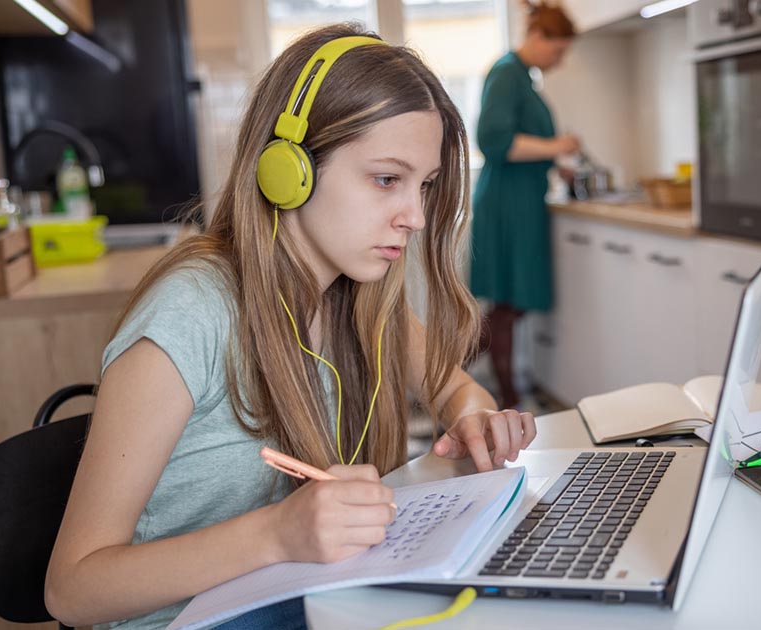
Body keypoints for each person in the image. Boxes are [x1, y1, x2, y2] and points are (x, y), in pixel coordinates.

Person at [44, 25, 537, 629]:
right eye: (387, 179)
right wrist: (277, 534)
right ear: (289, 171)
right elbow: (73, 589)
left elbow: (455, 388)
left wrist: (474, 419)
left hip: (311, 602)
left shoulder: (358, 293)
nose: (413, 217)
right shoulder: (190, 314)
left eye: (425, 186)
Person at [470, 0, 579, 409]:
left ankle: (451, 375)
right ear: (537, 36)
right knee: (506, 305)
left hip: (521, 201)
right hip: (506, 205)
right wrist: (558, 146)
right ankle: (504, 397)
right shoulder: (505, 75)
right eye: (558, 50)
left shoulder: (523, 79)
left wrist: (556, 162)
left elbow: (523, 142)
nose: (560, 59)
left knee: (509, 305)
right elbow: (495, 141)